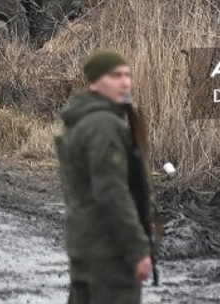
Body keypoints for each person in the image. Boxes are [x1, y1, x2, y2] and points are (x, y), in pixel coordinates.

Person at [55, 50, 154, 303]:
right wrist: (137, 248)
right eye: (116, 76)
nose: (125, 82)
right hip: (109, 250)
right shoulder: (104, 126)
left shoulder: (81, 120)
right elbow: (111, 191)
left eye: (127, 75)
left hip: (85, 244)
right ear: (95, 82)